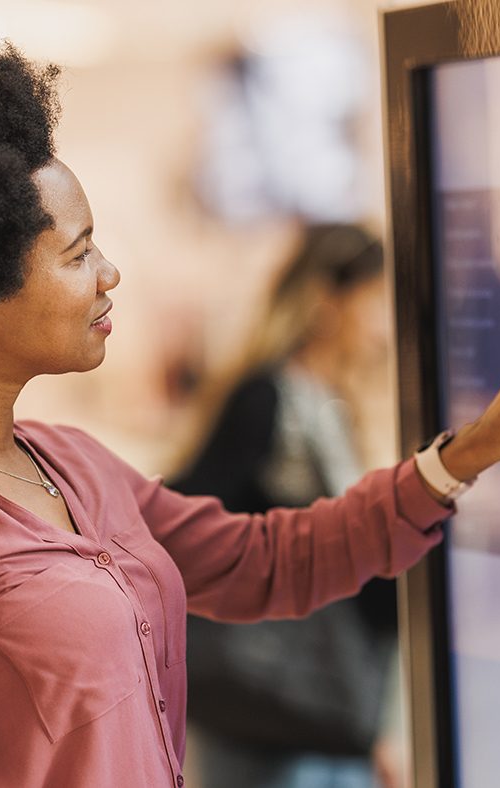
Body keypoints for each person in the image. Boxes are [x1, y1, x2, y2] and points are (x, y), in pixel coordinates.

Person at [0, 43, 500, 788]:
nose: (110, 273)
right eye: (78, 254)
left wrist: (467, 454)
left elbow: (266, 560)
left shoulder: (70, 463)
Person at [172, 225, 405, 788]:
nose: (384, 328)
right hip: (272, 704)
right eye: (375, 304)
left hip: (316, 708)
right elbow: (189, 516)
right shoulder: (271, 399)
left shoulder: (324, 403)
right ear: (328, 302)